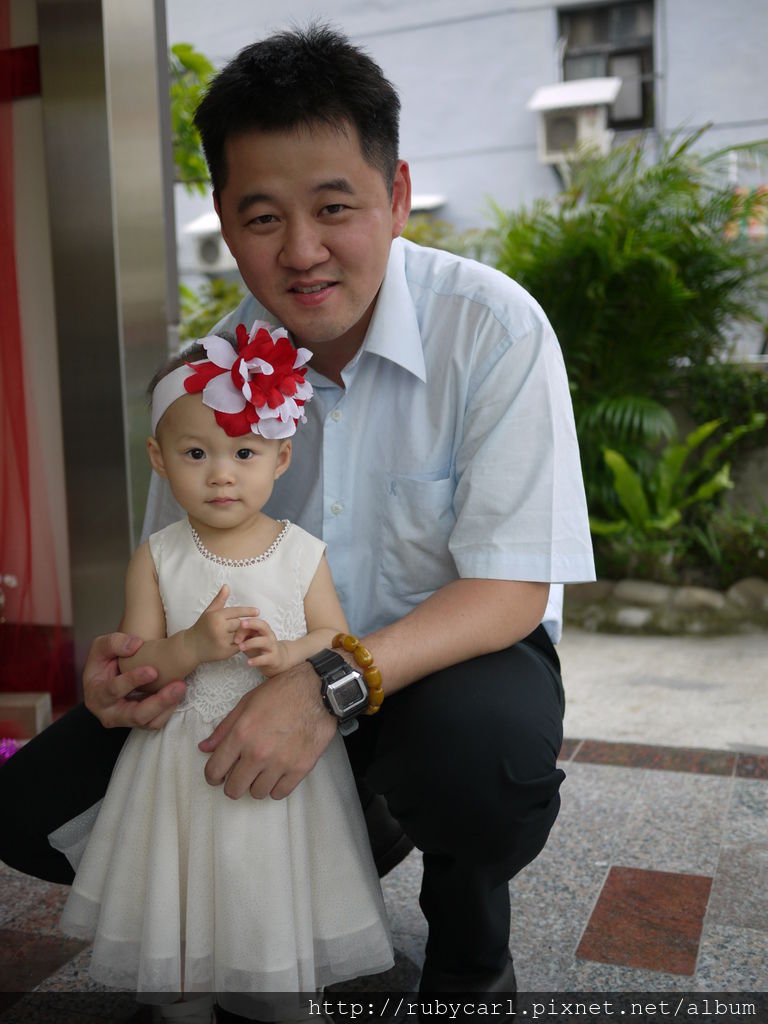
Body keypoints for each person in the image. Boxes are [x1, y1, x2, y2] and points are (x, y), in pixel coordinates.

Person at [0, 22, 595, 1014]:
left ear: (397, 196)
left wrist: (328, 685)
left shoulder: (491, 328)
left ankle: (468, 939)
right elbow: (177, 570)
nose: (303, 252)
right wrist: (134, 666)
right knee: (29, 813)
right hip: (251, 666)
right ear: (225, 223)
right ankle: (306, 866)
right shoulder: (210, 375)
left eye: (335, 208)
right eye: (263, 217)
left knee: (479, 763)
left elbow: (508, 591)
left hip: (447, 665)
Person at [52, 325, 393, 1023]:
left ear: (281, 457)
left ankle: (276, 993)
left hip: (281, 765)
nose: (221, 474)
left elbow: (336, 637)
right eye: (195, 453)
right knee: (181, 891)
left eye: (244, 452)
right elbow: (136, 664)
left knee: (267, 882)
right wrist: (190, 647)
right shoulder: (158, 556)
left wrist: (289, 655)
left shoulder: (300, 552)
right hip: (178, 763)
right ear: (158, 458)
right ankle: (184, 1002)